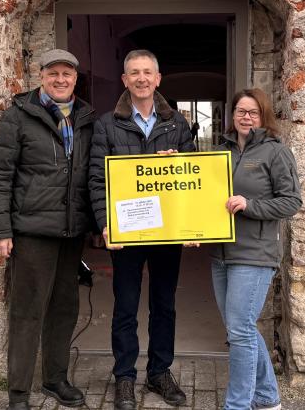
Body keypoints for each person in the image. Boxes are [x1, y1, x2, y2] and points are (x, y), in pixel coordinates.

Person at [0, 49, 96, 410]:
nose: (60, 80)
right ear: (41, 76)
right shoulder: (18, 116)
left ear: (75, 79)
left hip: (71, 231)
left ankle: (55, 379)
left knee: (64, 308)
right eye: (53, 74)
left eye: (67, 74)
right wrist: (0, 231)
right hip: (32, 231)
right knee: (27, 310)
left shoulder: (86, 118)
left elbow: (101, 172)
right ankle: (18, 391)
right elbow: (0, 176)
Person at [88, 49, 196, 409]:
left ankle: (160, 372)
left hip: (167, 230)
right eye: (134, 72)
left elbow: (192, 177)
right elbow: (97, 179)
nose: (141, 78)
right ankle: (124, 377)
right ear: (125, 80)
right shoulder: (107, 124)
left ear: (158, 78)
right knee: (126, 306)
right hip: (128, 230)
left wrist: (179, 167)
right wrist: (105, 224)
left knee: (164, 305)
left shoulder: (176, 124)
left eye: (147, 72)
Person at [211, 88, 302, 410]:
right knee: (242, 329)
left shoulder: (275, 152)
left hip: (254, 254)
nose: (246, 117)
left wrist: (250, 205)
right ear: (231, 115)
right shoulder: (221, 150)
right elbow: (205, 197)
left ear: (263, 117)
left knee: (239, 331)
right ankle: (267, 398)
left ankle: (237, 405)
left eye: (253, 112)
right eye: (240, 111)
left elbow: (292, 202)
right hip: (221, 253)